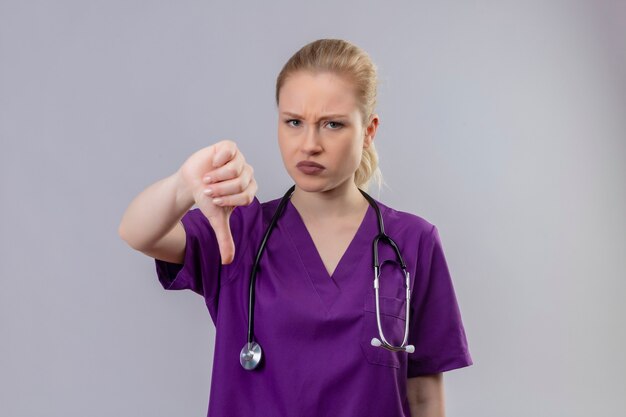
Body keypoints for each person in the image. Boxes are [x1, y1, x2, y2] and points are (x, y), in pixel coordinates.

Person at [119, 38, 473, 417]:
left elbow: (422, 395)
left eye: (332, 124)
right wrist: (184, 185)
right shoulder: (240, 229)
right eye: (294, 122)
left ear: (368, 131)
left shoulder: (412, 242)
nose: (309, 145)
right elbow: (139, 233)